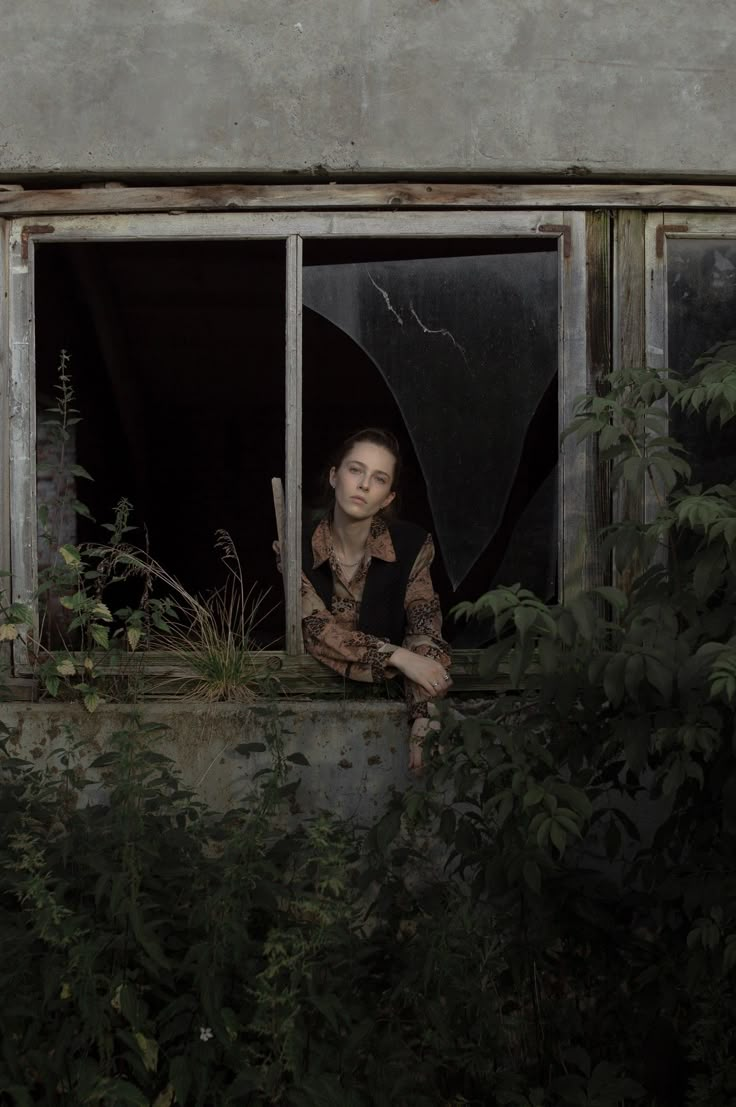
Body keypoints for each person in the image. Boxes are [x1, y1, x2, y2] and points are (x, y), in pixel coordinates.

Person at [293, 428, 452, 770]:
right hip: (305, 709)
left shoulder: (412, 546)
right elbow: (317, 632)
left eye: (378, 479)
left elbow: (425, 627)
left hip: (388, 705)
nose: (364, 485)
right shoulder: (294, 546)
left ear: (388, 497)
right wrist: (399, 657)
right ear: (335, 476)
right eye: (355, 470)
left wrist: (425, 714)